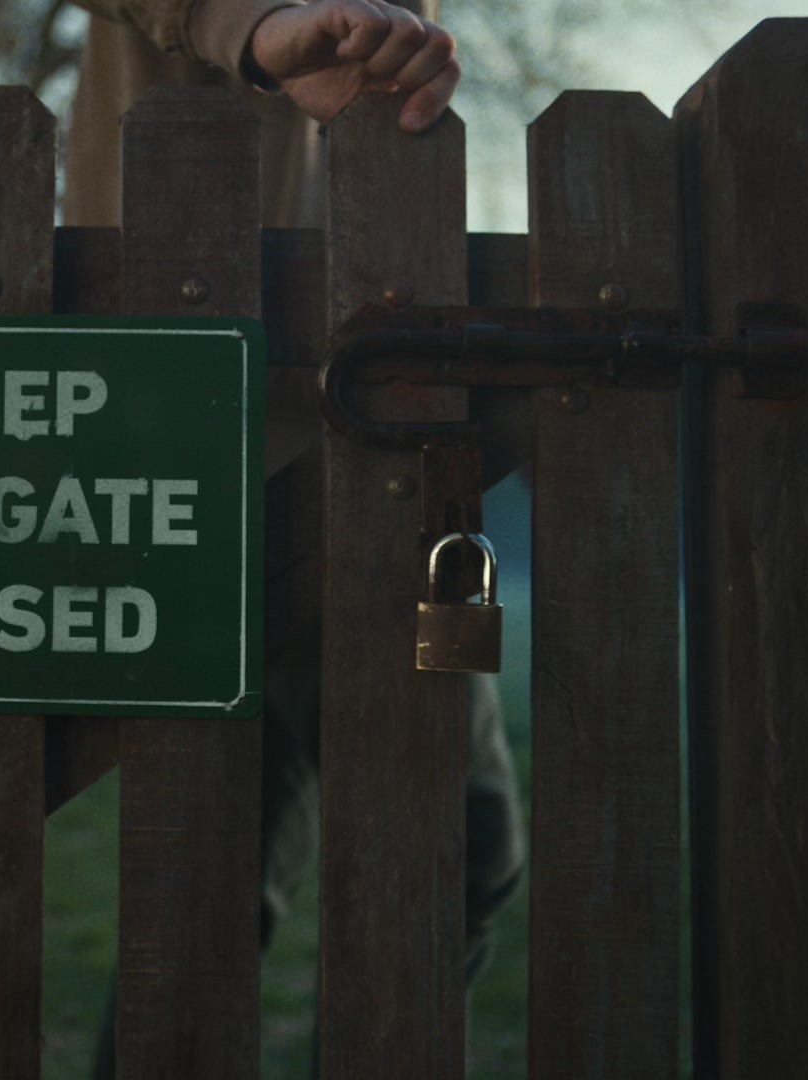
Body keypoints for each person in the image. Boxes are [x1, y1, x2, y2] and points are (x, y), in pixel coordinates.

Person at [62, 2, 525, 1074]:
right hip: (215, 435)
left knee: (414, 854)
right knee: (233, 887)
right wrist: (262, 25)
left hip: (376, 437)